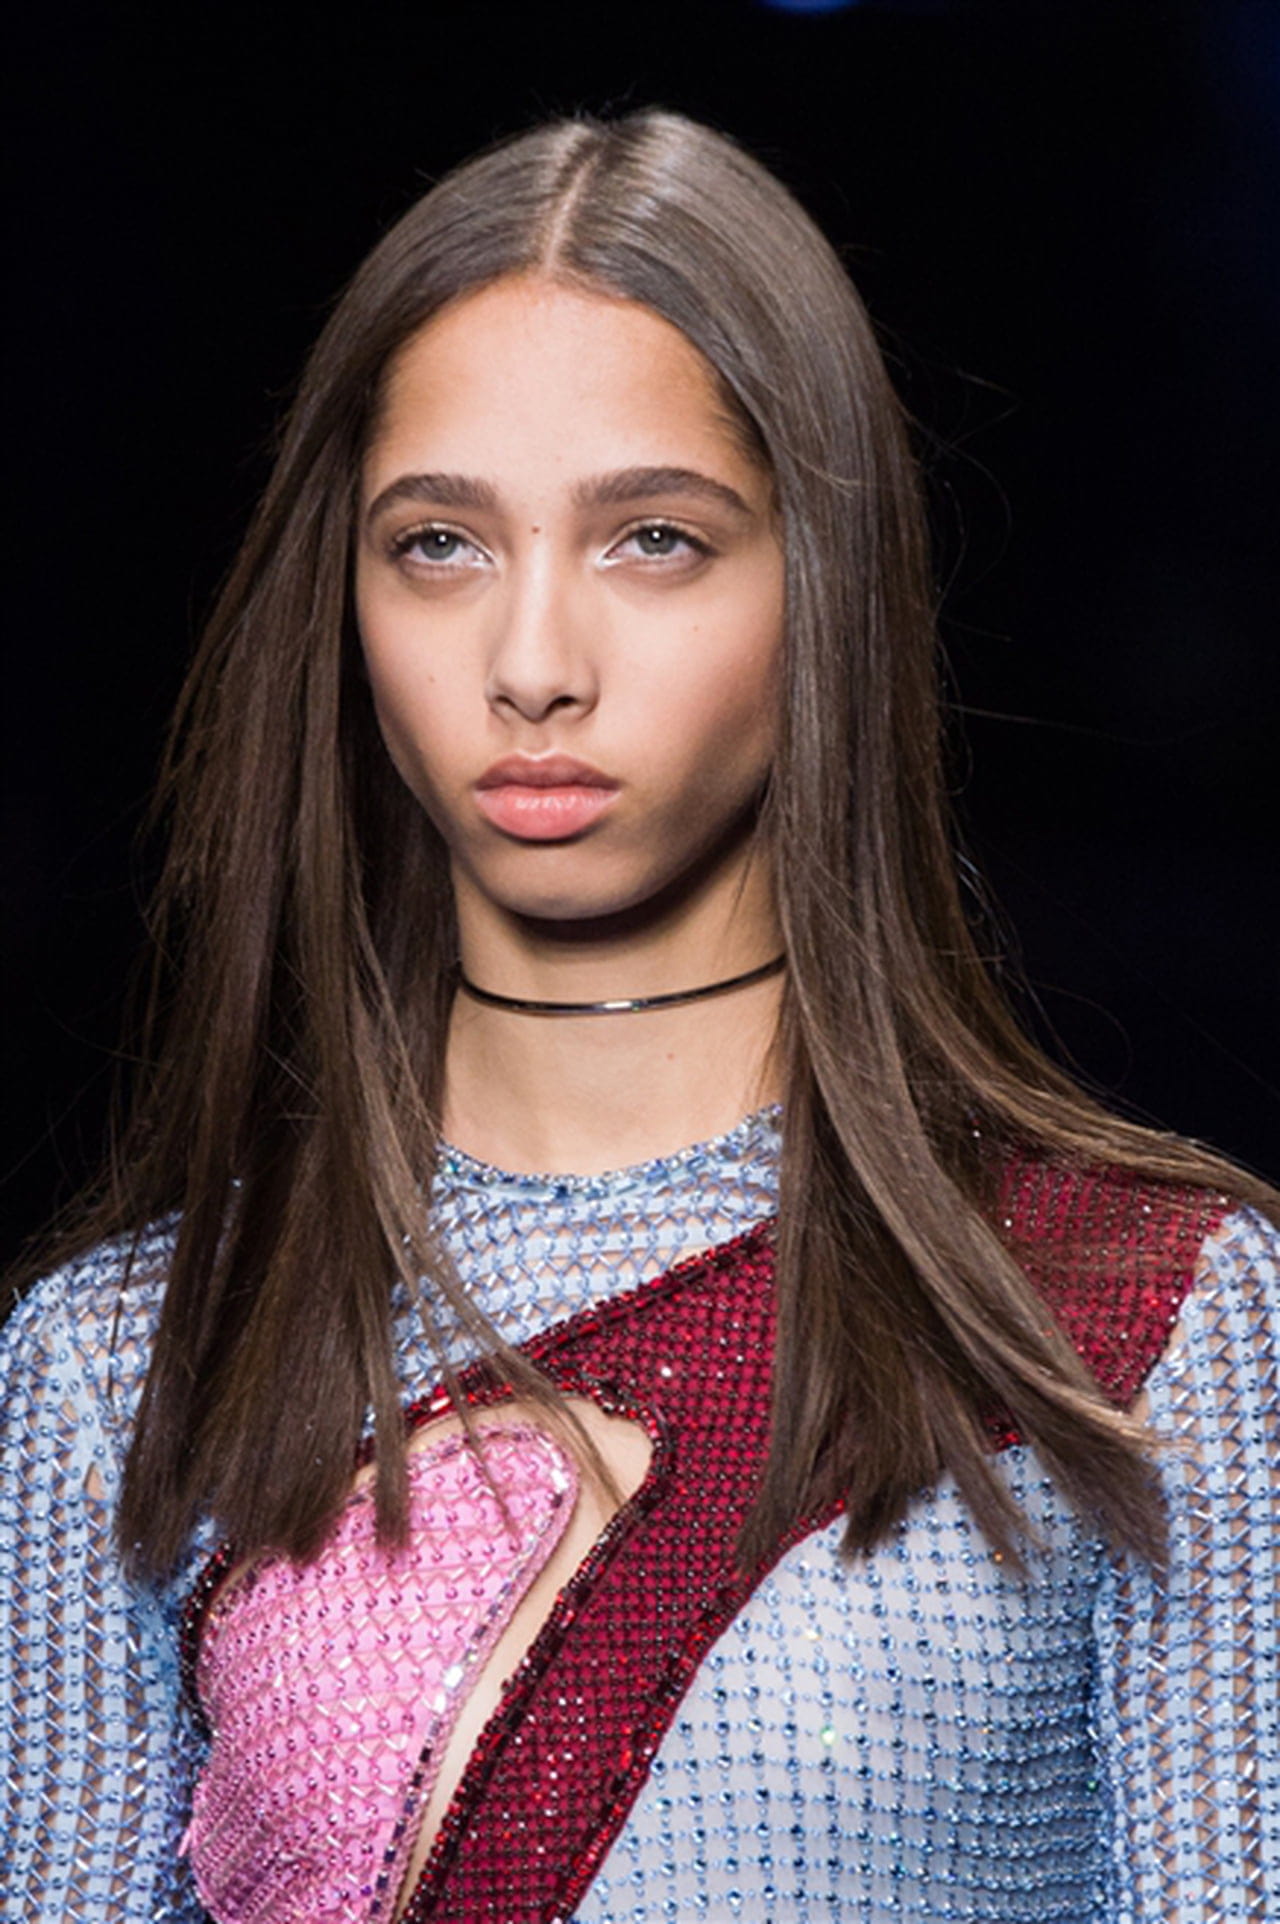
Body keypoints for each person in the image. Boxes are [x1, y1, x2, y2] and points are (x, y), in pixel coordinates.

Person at [2, 108, 1276, 1924]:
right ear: (343, 604)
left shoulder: (1136, 1324)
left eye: (654, 539)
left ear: (824, 589)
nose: (534, 663)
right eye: (438, 544)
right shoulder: (127, 1368)